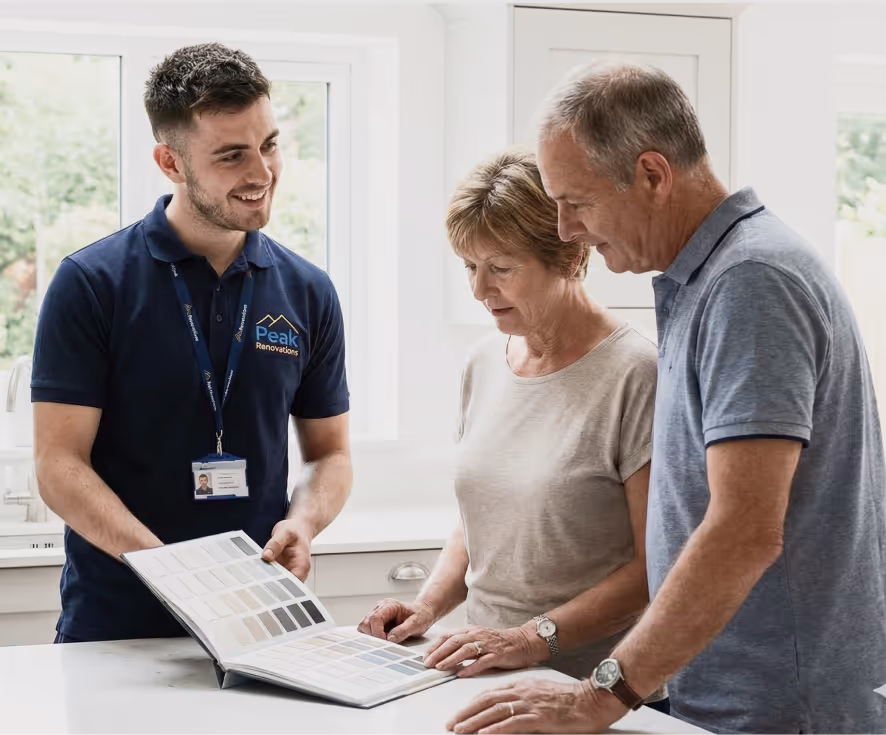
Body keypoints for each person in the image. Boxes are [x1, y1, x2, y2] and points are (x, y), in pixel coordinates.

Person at [448, 62, 886, 735]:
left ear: (652, 175)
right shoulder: (715, 277)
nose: (566, 230)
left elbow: (743, 530)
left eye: (577, 201)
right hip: (722, 691)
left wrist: (599, 694)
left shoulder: (752, 282)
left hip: (777, 705)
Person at [31, 43, 352, 644]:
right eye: (231, 155)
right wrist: (169, 572)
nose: (261, 173)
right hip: (117, 626)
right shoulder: (92, 283)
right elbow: (57, 465)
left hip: (260, 619)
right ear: (170, 163)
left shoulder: (309, 291)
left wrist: (303, 523)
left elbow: (328, 454)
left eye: (269, 145)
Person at [358, 150, 664, 706]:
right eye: (469, 266)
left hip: (600, 694)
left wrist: (529, 639)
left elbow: (653, 568)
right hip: (487, 676)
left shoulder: (637, 373)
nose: (479, 289)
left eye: (500, 268)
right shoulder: (483, 363)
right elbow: (480, 522)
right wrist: (428, 607)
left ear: (570, 258)